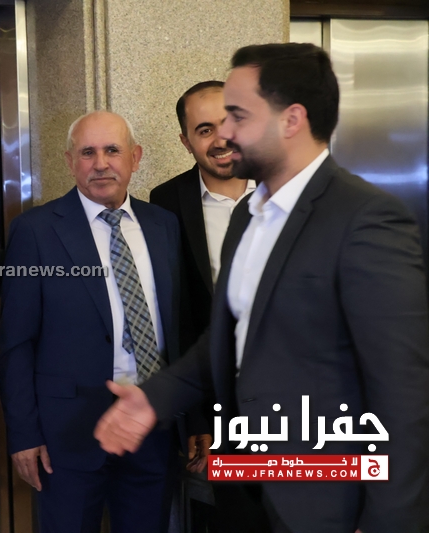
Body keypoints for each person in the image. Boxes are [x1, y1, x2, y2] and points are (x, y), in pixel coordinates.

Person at [96, 43, 429, 533]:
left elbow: (402, 389)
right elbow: (229, 337)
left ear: (291, 119)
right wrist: (154, 398)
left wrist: (388, 519)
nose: (225, 133)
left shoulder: (366, 218)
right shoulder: (247, 218)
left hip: (328, 495)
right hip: (247, 478)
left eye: (237, 116)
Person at [0, 111, 183, 532]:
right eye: (87, 153)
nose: (101, 164)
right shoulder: (36, 231)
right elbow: (16, 344)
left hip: (152, 428)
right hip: (67, 438)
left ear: (135, 157)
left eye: (112, 150)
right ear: (69, 161)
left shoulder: (163, 225)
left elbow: (179, 328)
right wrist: (24, 434)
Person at [150, 81, 257, 531]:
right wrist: (195, 417)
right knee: (230, 519)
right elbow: (180, 319)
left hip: (300, 402)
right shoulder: (167, 204)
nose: (220, 138)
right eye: (204, 129)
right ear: (186, 140)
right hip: (220, 408)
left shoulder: (288, 189)